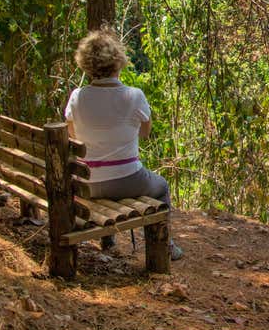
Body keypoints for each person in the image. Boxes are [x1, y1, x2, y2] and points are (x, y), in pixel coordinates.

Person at [64, 28, 183, 260]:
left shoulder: (77, 97)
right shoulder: (134, 95)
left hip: (87, 184)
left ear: (86, 64)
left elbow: (72, 136)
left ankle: (108, 241)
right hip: (128, 181)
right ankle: (165, 245)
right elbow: (145, 133)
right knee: (161, 186)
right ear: (118, 62)